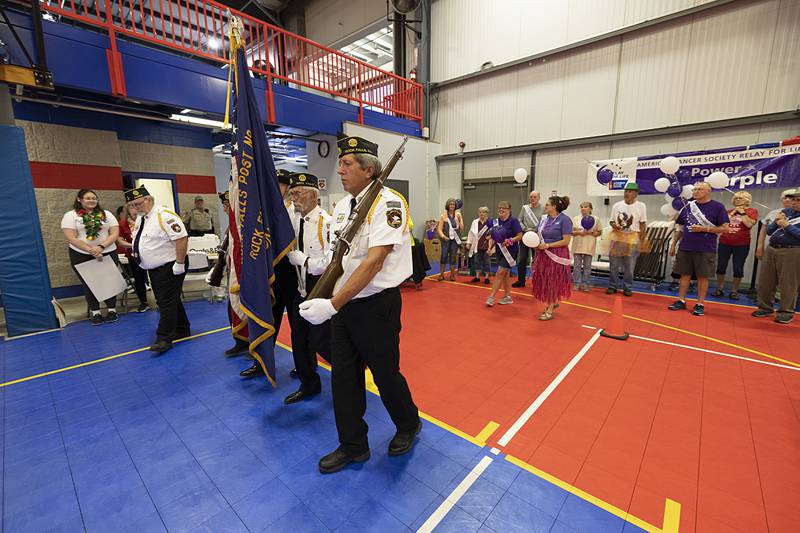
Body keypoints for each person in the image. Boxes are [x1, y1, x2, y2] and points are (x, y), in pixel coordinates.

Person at [299, 135, 421, 474]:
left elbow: (374, 261)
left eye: (347, 164)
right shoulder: (340, 206)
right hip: (344, 306)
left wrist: (332, 304)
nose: (340, 170)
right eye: (340, 163)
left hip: (376, 306)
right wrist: (315, 274)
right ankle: (353, 445)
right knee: (344, 377)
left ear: (369, 170)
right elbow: (340, 256)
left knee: (385, 374)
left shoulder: (389, 203)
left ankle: (409, 424)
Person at [240, 169, 299, 378]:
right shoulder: (262, 212)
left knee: (297, 324)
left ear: (286, 187)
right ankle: (261, 362)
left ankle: (303, 366)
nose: (275, 188)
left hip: (292, 274)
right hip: (270, 273)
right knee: (268, 318)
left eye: (280, 184)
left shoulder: (296, 212)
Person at [284, 172, 332, 404]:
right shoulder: (294, 219)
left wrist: (304, 261)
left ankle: (350, 369)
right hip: (300, 287)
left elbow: (332, 263)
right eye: (292, 193)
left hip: (320, 286)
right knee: (298, 338)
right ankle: (309, 383)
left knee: (322, 340)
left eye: (298, 193)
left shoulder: (326, 223)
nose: (294, 198)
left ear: (313, 195)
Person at [126, 186, 190, 353]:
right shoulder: (142, 218)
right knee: (171, 298)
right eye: (132, 205)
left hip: (170, 265)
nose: (136, 208)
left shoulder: (164, 215)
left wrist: (180, 263)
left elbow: (182, 238)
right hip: (155, 267)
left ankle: (164, 338)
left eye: (138, 203)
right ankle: (182, 328)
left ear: (149, 199)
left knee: (165, 302)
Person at [667, 182, 730, 316]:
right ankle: (681, 300)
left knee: (703, 276)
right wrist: (673, 245)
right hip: (686, 246)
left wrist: (705, 229)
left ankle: (700, 303)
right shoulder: (687, 207)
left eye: (700, 189)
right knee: (684, 275)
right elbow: (680, 228)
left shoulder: (718, 207)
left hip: (706, 248)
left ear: (708, 190)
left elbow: (725, 228)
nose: (696, 191)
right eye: (695, 189)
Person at [61, 189, 122, 325]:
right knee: (90, 283)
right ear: (79, 199)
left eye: (94, 198)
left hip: (107, 251)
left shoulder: (106, 214)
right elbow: (72, 237)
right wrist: (91, 250)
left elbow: (114, 233)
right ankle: (96, 312)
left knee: (109, 281)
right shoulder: (70, 216)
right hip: (81, 254)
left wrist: (100, 247)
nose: (92, 200)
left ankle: (112, 310)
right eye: (88, 198)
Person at [752, 190, 800, 324]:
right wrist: (776, 221)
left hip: (793, 251)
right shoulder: (787, 212)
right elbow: (769, 231)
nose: (794, 202)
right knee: (766, 280)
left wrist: (788, 226)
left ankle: (786, 311)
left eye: (798, 200)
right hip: (773, 248)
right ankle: (765, 307)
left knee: (788, 283)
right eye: (794, 199)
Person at [531, 195, 573, 320]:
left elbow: (566, 241)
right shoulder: (544, 219)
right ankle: (553, 301)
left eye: (548, 204)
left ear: (554, 206)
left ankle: (550, 308)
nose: (545, 206)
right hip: (543, 254)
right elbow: (538, 234)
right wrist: (536, 243)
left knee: (553, 280)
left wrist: (549, 245)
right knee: (545, 279)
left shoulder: (565, 220)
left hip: (557, 254)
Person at [713, 191, 758, 299]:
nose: (737, 200)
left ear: (747, 200)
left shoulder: (752, 211)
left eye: (741, 198)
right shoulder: (728, 211)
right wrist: (734, 212)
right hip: (725, 242)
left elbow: (748, 224)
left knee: (738, 268)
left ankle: (734, 291)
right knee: (720, 267)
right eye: (736, 198)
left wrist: (742, 213)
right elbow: (722, 224)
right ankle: (719, 288)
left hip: (742, 244)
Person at [607, 183, 647, 297]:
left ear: (635, 194)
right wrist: (614, 225)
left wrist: (642, 240)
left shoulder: (641, 206)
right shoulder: (616, 205)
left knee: (629, 265)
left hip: (633, 238)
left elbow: (643, 224)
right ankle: (612, 286)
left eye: (629, 191)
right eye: (625, 191)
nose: (626, 193)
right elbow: (611, 221)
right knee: (614, 264)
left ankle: (627, 287)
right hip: (617, 237)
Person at [485, 201, 523, 306]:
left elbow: (520, 235)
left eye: (504, 208)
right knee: (505, 273)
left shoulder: (513, 221)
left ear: (509, 210)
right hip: (499, 251)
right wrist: (490, 247)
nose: (501, 209)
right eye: (499, 207)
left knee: (500, 272)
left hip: (511, 251)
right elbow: (494, 237)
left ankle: (491, 297)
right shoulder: (495, 222)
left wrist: (510, 241)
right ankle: (507, 297)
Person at [116, 204, 149, 313]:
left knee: (155, 276)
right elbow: (120, 241)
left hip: (151, 253)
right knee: (139, 279)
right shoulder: (123, 223)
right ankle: (143, 302)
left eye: (137, 207)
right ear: (128, 210)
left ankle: (161, 300)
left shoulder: (147, 220)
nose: (135, 210)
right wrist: (134, 246)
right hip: (134, 255)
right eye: (132, 208)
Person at [755, 188, 796, 262]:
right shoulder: (773, 213)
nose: (787, 200)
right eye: (785, 198)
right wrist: (759, 247)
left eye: (790, 197)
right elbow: (763, 231)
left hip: (791, 249)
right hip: (771, 248)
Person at [513, 190, 543, 287]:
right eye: (531, 197)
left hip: (536, 237)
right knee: (521, 259)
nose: (532, 199)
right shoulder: (525, 208)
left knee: (537, 260)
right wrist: (525, 228)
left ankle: (538, 282)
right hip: (525, 236)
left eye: (534, 197)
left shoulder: (543, 208)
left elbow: (544, 222)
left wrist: (535, 230)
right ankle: (521, 281)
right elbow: (519, 220)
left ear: (539, 198)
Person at [571, 201, 600, 292]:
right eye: (582, 207)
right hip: (577, 245)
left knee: (587, 266)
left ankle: (586, 284)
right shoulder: (575, 219)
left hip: (589, 245)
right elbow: (571, 232)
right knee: (577, 266)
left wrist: (590, 232)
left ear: (590, 208)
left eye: (586, 207)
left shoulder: (596, 219)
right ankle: (576, 283)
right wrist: (579, 232)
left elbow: (599, 232)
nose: (583, 209)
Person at [436, 198, 463, 281]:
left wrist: (459, 220)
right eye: (450, 204)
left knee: (453, 256)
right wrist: (443, 236)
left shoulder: (458, 215)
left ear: (455, 206)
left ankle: (452, 275)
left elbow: (461, 228)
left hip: (455, 240)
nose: (452, 205)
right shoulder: (443, 216)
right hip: (445, 239)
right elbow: (439, 229)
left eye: (453, 204)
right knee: (444, 256)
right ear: (448, 205)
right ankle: (441, 275)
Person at [466, 206, 494, 284]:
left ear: (487, 213)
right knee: (476, 261)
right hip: (477, 245)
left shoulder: (491, 222)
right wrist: (469, 243)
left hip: (487, 246)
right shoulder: (475, 222)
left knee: (487, 262)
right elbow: (471, 233)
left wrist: (491, 237)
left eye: (483, 212)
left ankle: (486, 277)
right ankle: (477, 276)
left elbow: (495, 233)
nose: (481, 214)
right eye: (480, 212)